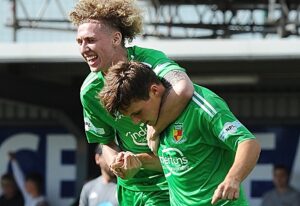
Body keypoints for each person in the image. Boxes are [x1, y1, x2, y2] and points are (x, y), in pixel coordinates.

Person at [69, 0, 194, 205]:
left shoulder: (149, 62)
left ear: (116, 38)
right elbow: (106, 141)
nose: (84, 49)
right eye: (79, 42)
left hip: (170, 180)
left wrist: (155, 128)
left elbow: (183, 89)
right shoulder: (90, 92)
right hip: (131, 189)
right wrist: (117, 163)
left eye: (90, 40)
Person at [99, 61, 261, 206]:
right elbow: (176, 163)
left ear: (154, 90)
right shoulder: (156, 120)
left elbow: (248, 143)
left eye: (138, 112)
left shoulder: (201, 107)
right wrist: (138, 161)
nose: (136, 121)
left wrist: (233, 178)